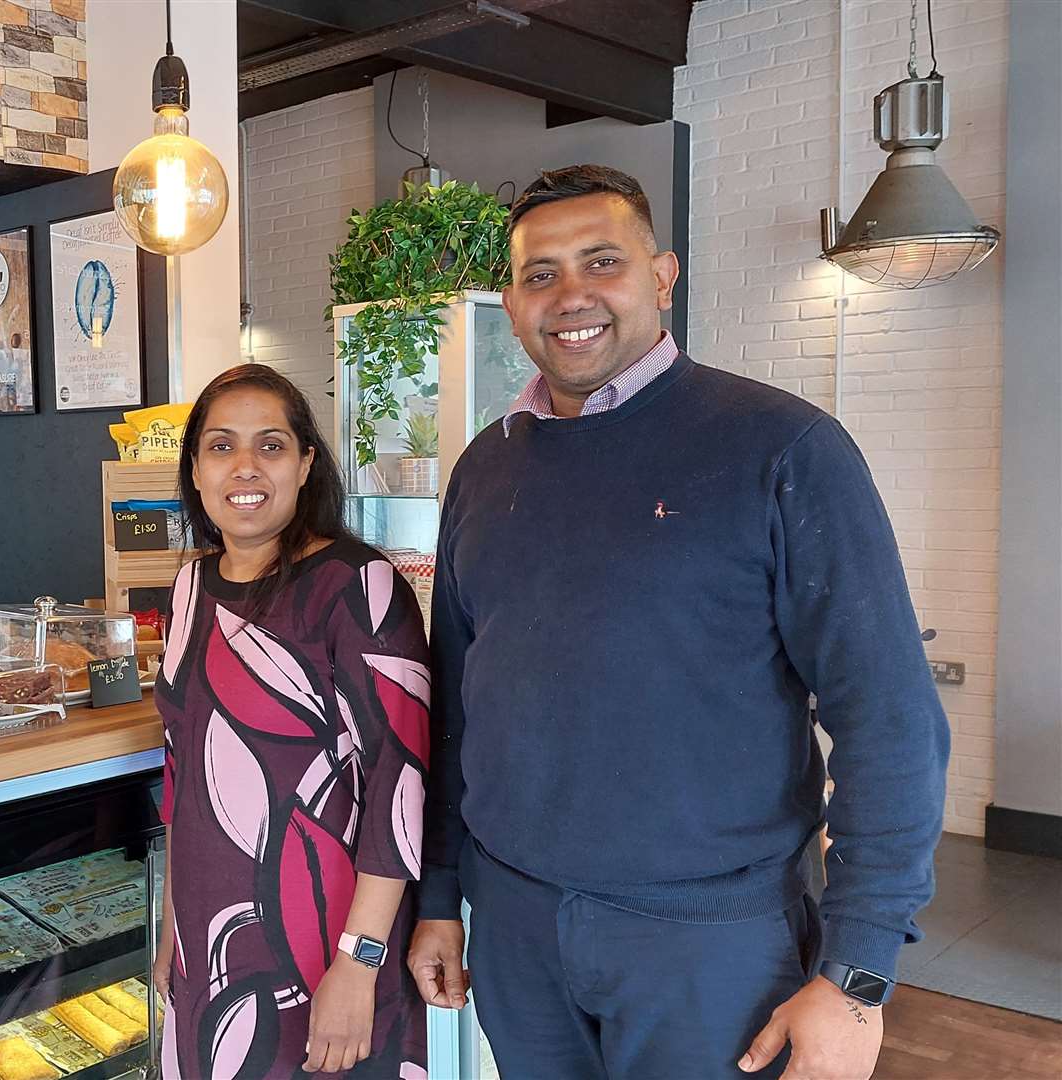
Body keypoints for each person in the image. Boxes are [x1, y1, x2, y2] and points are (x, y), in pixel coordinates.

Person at [406, 164, 950, 1079]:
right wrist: (443, 891)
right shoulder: (483, 470)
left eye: (602, 262)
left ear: (662, 277)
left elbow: (886, 714)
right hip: (518, 932)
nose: (570, 295)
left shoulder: (782, 448)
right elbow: (459, 707)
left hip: (713, 944)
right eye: (541, 273)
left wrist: (857, 971)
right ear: (511, 299)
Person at [154, 364, 431, 1078]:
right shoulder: (189, 587)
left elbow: (399, 788)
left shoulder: (356, 586)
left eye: (270, 445)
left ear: (306, 463)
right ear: (194, 467)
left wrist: (358, 965)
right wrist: (173, 929)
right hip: (210, 945)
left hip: (327, 943)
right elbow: (183, 775)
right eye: (221, 446)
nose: (244, 467)